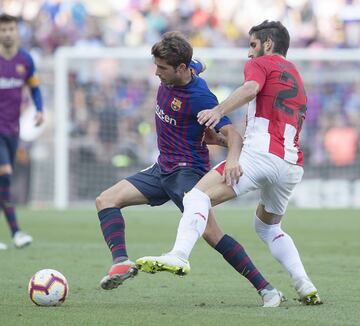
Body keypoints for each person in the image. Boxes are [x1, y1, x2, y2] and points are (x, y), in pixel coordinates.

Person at [136, 21, 322, 306]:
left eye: (252, 45)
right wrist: (222, 142)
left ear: (267, 44)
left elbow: (250, 88)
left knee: (197, 196)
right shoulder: (295, 74)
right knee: (268, 227)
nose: (249, 53)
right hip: (291, 163)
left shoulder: (262, 64)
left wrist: (219, 109)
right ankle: (304, 284)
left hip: (260, 156)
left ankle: (179, 255)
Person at [96, 31, 284, 307]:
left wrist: (232, 160)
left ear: (180, 68)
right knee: (106, 200)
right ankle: (122, 262)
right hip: (162, 169)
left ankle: (267, 289)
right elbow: (199, 64)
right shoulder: (188, 68)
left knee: (212, 234)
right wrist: (198, 63)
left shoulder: (201, 98)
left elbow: (233, 134)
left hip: (187, 174)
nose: (156, 73)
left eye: (162, 68)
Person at [0, 14, 44, 250]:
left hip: (12, 129)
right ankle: (16, 232)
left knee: (3, 181)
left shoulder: (25, 60)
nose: (7, 33)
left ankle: (15, 233)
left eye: (10, 29)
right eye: (3, 29)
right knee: (5, 174)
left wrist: (39, 109)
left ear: (17, 32)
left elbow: (34, 88)